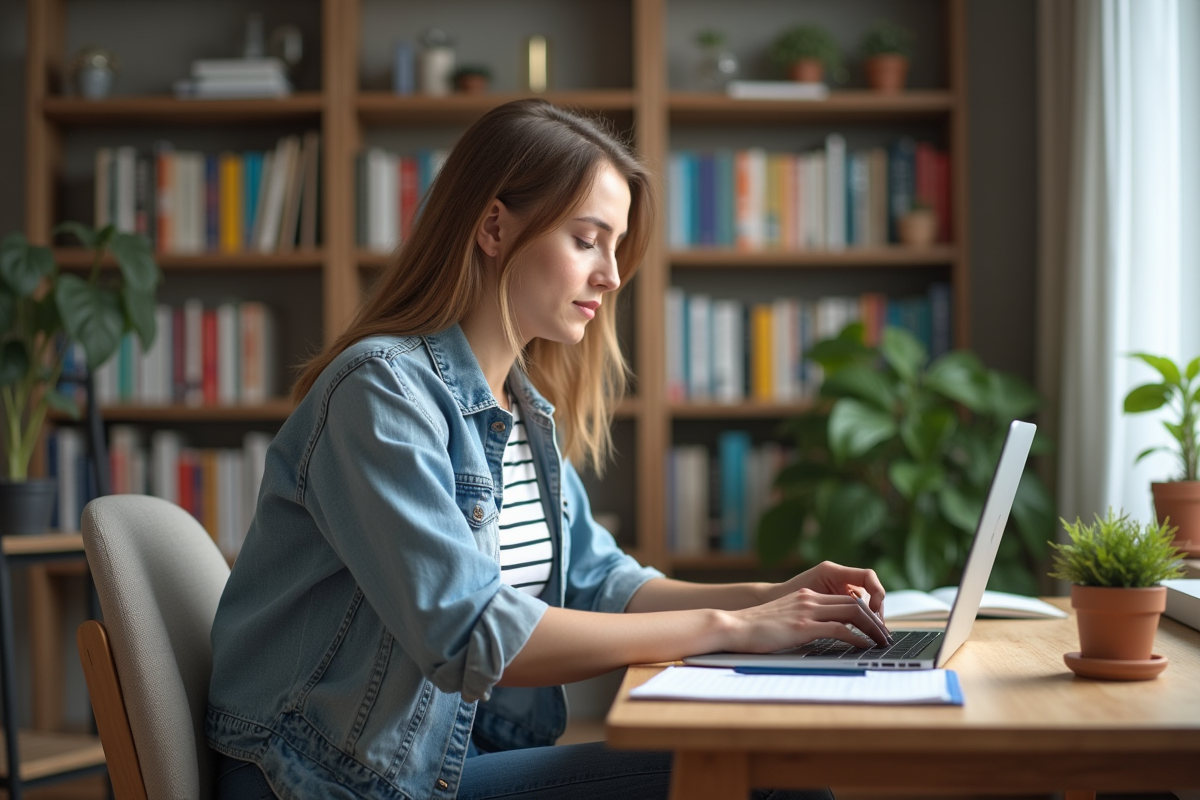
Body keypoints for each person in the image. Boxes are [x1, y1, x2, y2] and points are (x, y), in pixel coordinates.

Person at [206, 98, 891, 800]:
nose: (612, 275)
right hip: (321, 779)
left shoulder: (520, 410)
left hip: (424, 765)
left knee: (772, 771)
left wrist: (778, 598)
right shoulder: (381, 392)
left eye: (616, 246)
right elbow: (469, 631)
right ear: (495, 227)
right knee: (771, 782)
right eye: (588, 239)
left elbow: (606, 585)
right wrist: (735, 628)